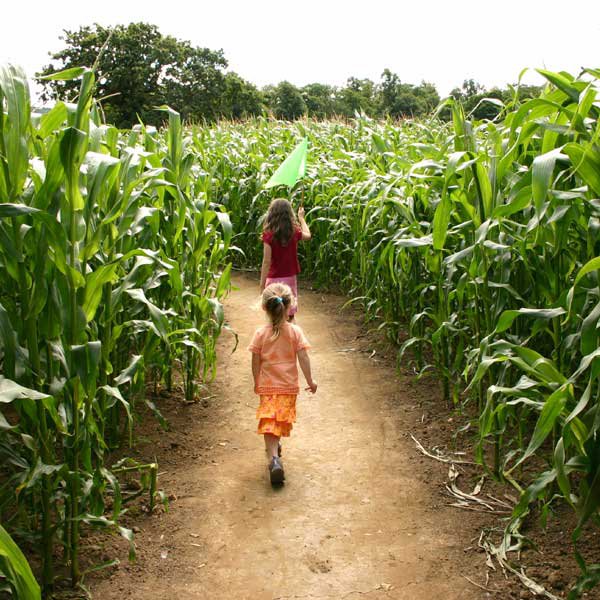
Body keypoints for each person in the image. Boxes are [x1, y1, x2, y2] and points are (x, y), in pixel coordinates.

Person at [248, 282, 317, 484]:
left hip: (268, 386)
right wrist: (311, 381)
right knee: (278, 421)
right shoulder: (295, 332)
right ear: (289, 307)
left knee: (269, 421)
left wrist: (256, 381)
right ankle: (274, 457)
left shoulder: (260, 333)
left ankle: (274, 458)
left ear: (264, 308)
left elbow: (255, 359)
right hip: (288, 388)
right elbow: (303, 357)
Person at [260, 198, 311, 321]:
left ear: (272, 214)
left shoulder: (268, 235)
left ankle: (275, 337)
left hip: (273, 279)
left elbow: (266, 262)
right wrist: (302, 218)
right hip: (290, 278)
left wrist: (262, 285)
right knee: (289, 312)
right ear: (289, 214)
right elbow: (308, 235)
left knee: (274, 312)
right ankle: (291, 336)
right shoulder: (294, 232)